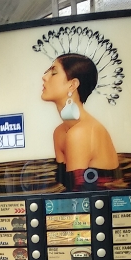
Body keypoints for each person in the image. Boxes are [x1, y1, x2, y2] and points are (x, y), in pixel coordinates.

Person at [40, 54, 121, 191]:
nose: (45, 77)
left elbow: (76, 196)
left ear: (72, 85)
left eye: (53, 72)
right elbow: (64, 187)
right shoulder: (59, 132)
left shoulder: (80, 133)